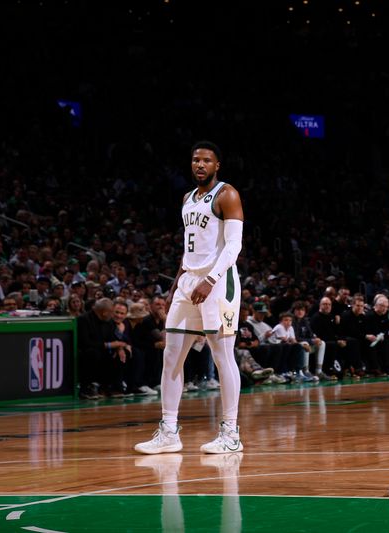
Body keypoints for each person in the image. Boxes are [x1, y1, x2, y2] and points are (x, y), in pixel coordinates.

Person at [135, 141, 244, 455]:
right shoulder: (187, 198)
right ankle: (169, 430)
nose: (200, 165)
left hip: (219, 283)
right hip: (188, 282)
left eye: (206, 160)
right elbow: (190, 247)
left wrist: (210, 280)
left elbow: (233, 246)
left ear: (217, 165)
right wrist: (176, 282)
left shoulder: (227, 195)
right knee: (171, 355)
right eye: (196, 160)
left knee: (222, 357)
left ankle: (231, 432)